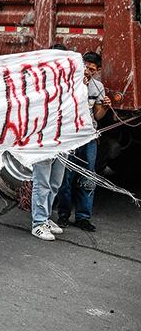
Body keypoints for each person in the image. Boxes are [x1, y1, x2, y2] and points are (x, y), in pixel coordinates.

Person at [56, 51, 110, 232]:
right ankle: (63, 214)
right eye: (85, 67)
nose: (87, 71)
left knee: (88, 177)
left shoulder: (98, 86)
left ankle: (83, 217)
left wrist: (104, 107)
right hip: (71, 137)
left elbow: (98, 116)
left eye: (91, 69)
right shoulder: (70, 82)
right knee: (66, 177)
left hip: (89, 137)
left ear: (97, 71)